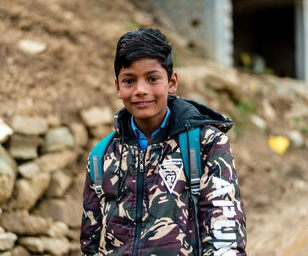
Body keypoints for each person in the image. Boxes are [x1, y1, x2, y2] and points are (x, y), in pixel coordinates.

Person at [80, 28, 246, 256]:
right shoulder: (102, 156)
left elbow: (225, 237)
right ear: (117, 86)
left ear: (172, 82)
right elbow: (89, 245)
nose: (140, 90)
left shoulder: (206, 145)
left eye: (152, 79)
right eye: (129, 80)